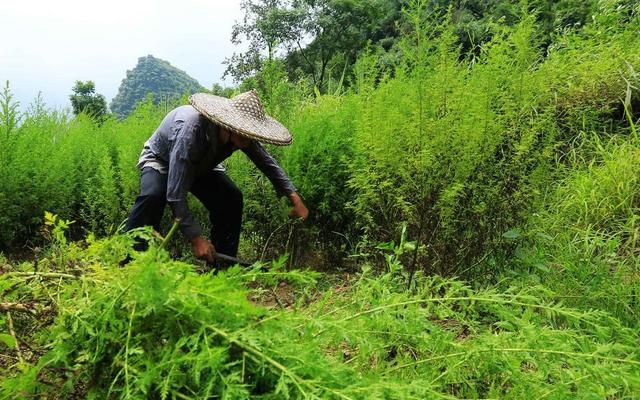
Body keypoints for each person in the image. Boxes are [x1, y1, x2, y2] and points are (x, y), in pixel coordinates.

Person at [124, 90, 309, 264]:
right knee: (152, 196)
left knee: (231, 198)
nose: (247, 143)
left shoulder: (242, 136)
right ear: (228, 127)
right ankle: (130, 263)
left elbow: (267, 163)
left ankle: (223, 269)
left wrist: (293, 196)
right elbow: (175, 194)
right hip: (162, 159)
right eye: (245, 136)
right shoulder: (190, 133)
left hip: (202, 165)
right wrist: (195, 237)